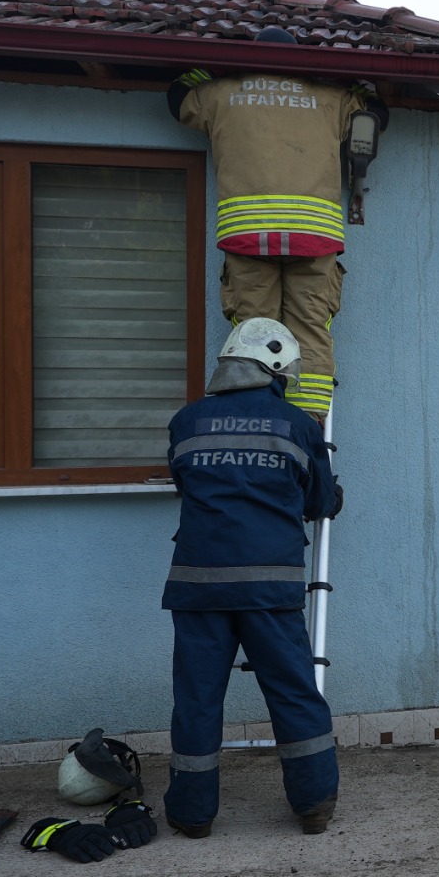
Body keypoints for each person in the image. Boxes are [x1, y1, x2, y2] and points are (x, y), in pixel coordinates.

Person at [162, 317, 342, 837]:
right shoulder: (298, 425)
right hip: (270, 588)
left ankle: (193, 816)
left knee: (197, 698)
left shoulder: (186, 422)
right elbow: (318, 502)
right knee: (292, 690)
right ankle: (313, 805)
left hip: (198, 586)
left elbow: (184, 484)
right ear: (278, 369)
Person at [168, 26, 387, 422]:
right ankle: (310, 427)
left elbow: (179, 97)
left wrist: (208, 69)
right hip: (314, 238)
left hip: (247, 236)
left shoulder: (223, 94)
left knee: (253, 329)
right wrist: (360, 85)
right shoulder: (331, 98)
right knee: (311, 328)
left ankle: (257, 418)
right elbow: (374, 114)